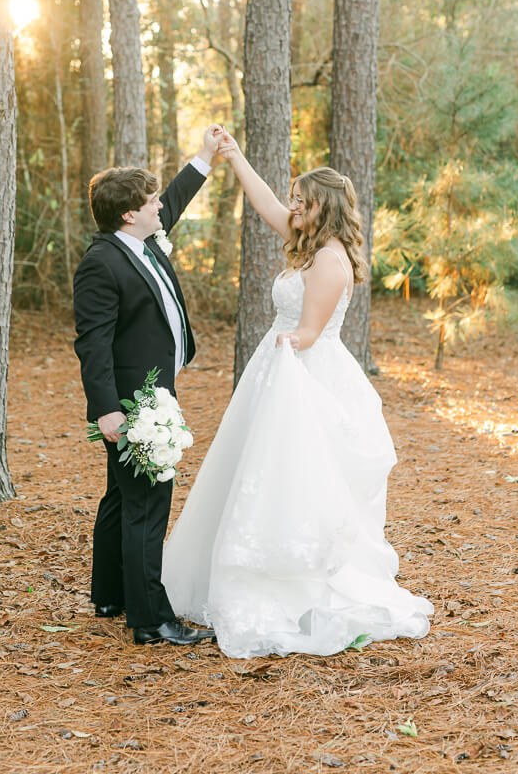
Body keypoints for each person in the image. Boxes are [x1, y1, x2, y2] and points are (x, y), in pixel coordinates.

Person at [162, 136, 433, 658]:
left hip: (305, 377)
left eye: (302, 201)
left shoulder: (330, 262)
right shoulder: (306, 243)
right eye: (293, 198)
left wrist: (285, 345)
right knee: (250, 470)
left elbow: (309, 332)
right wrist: (237, 157)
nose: (292, 207)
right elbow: (264, 202)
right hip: (277, 369)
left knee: (295, 476)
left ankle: (292, 577)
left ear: (322, 210)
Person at [73, 126, 222, 646]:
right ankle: (151, 618)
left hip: (156, 390)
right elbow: (92, 343)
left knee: (121, 496)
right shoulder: (101, 263)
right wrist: (107, 411)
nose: (160, 205)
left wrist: (204, 156)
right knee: (147, 503)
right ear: (128, 214)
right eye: (150, 200)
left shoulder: (144, 240)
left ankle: (111, 594)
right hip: (136, 403)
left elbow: (174, 200)